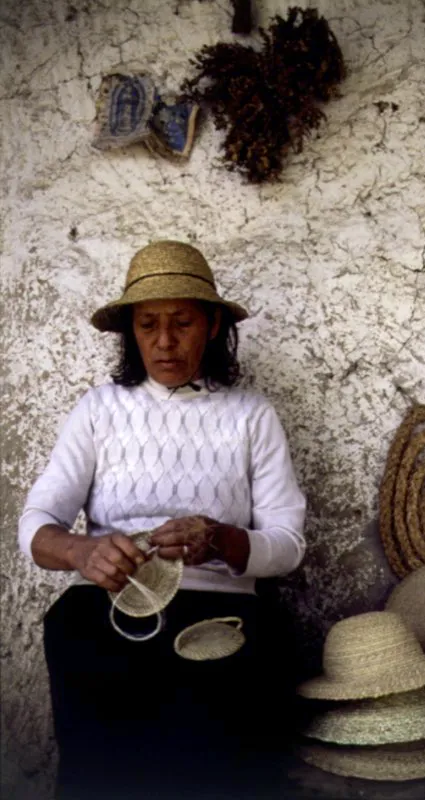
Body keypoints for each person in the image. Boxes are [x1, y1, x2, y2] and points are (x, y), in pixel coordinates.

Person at [18, 240, 306, 800]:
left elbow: (288, 543)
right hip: (107, 606)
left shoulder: (252, 416)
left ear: (214, 324)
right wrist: (82, 553)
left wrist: (220, 540)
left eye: (183, 321)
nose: (165, 341)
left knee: (216, 762)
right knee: (103, 769)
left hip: (220, 610)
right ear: (131, 330)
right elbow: (36, 524)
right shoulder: (99, 409)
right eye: (148, 324)